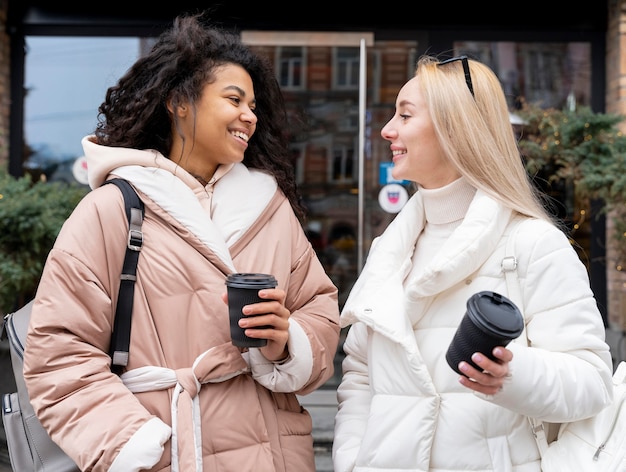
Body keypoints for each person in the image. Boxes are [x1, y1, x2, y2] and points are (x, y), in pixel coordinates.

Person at [23, 11, 340, 472]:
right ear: (179, 103)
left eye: (254, 106)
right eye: (234, 99)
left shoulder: (271, 210)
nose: (249, 116)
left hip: (270, 448)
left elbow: (319, 309)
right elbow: (59, 352)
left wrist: (287, 339)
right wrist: (133, 443)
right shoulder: (114, 208)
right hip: (169, 445)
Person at [332, 54, 614, 471]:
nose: (388, 130)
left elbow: (593, 382)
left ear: (453, 128)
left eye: (405, 116)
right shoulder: (391, 248)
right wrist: (353, 458)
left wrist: (512, 375)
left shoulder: (533, 243)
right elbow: (358, 372)